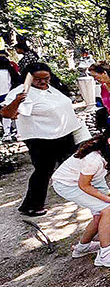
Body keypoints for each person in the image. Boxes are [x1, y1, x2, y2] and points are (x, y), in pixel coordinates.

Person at [51, 123, 110, 267]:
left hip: (94, 178)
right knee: (108, 209)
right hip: (68, 183)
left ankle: (82, 247)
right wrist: (107, 198)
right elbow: (84, 185)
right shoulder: (94, 159)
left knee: (100, 213)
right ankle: (105, 254)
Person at [1, 62, 80, 216]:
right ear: (29, 78)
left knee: (70, 163)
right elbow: (7, 113)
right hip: (41, 138)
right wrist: (17, 101)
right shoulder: (21, 91)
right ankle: (31, 206)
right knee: (43, 171)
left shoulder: (51, 87)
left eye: (46, 78)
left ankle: (74, 191)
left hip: (63, 133)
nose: (43, 82)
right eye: (38, 79)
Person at [0, 53, 22, 141]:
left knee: (5, 115)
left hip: (2, 95)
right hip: (9, 94)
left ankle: (7, 133)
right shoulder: (10, 71)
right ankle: (18, 133)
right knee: (14, 114)